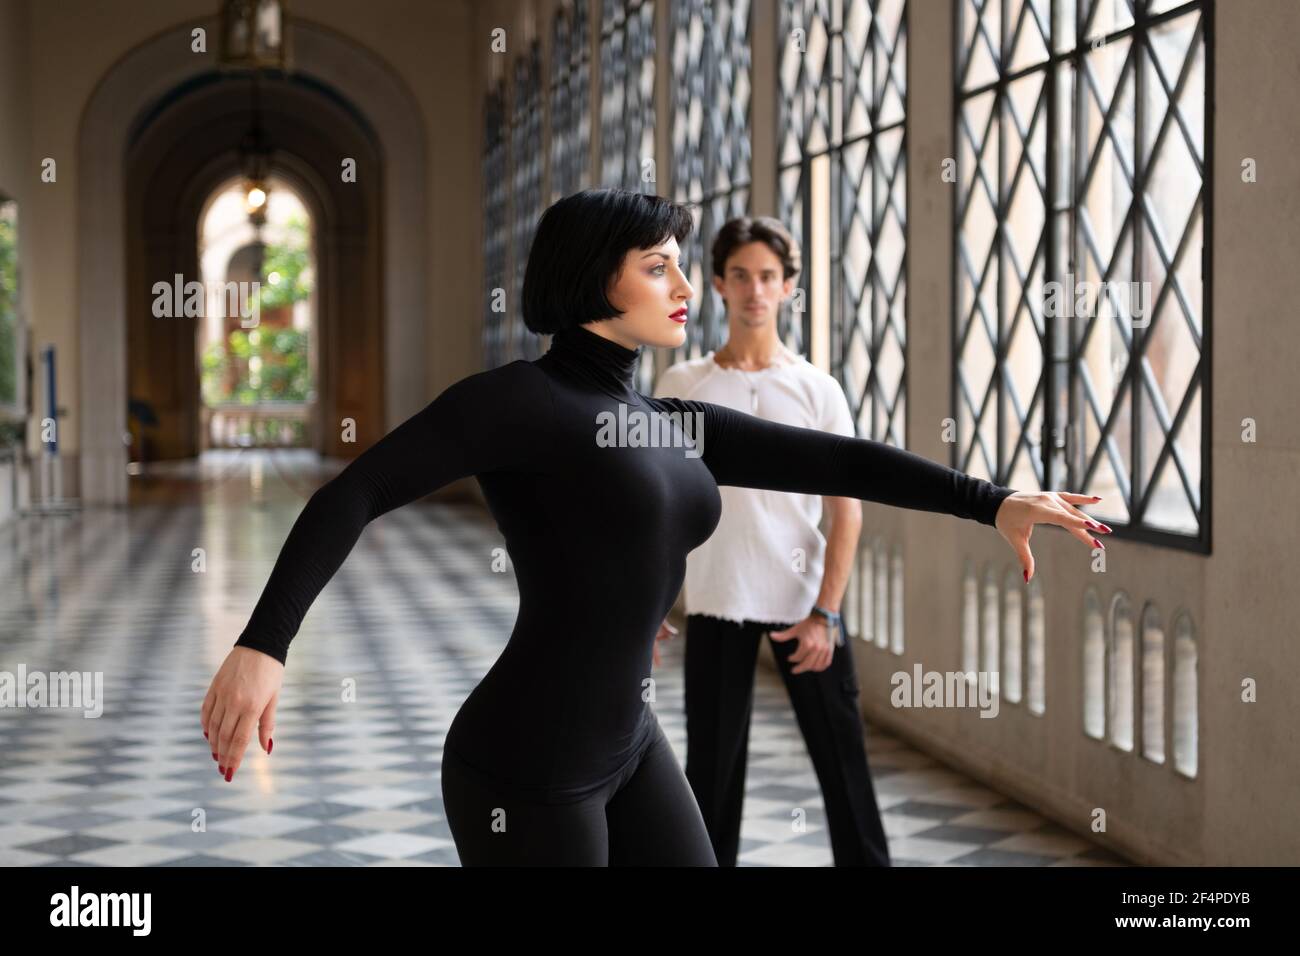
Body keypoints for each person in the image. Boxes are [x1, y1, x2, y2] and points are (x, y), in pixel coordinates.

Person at [199, 187, 1111, 866]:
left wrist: (991, 499)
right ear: (596, 278)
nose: (685, 285)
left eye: (679, 262)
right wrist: (264, 644)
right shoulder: (518, 400)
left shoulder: (666, 420)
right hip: (528, 763)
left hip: (629, 742)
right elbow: (352, 493)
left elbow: (837, 459)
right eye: (658, 265)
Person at [650, 215, 890, 866]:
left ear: (788, 287)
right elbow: (658, 511)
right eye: (740, 276)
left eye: (768, 276)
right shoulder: (683, 388)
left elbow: (848, 513)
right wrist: (648, 612)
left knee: (845, 771)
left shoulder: (818, 389)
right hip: (718, 601)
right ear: (718, 285)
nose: (754, 290)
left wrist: (827, 613)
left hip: (806, 606)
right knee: (711, 780)